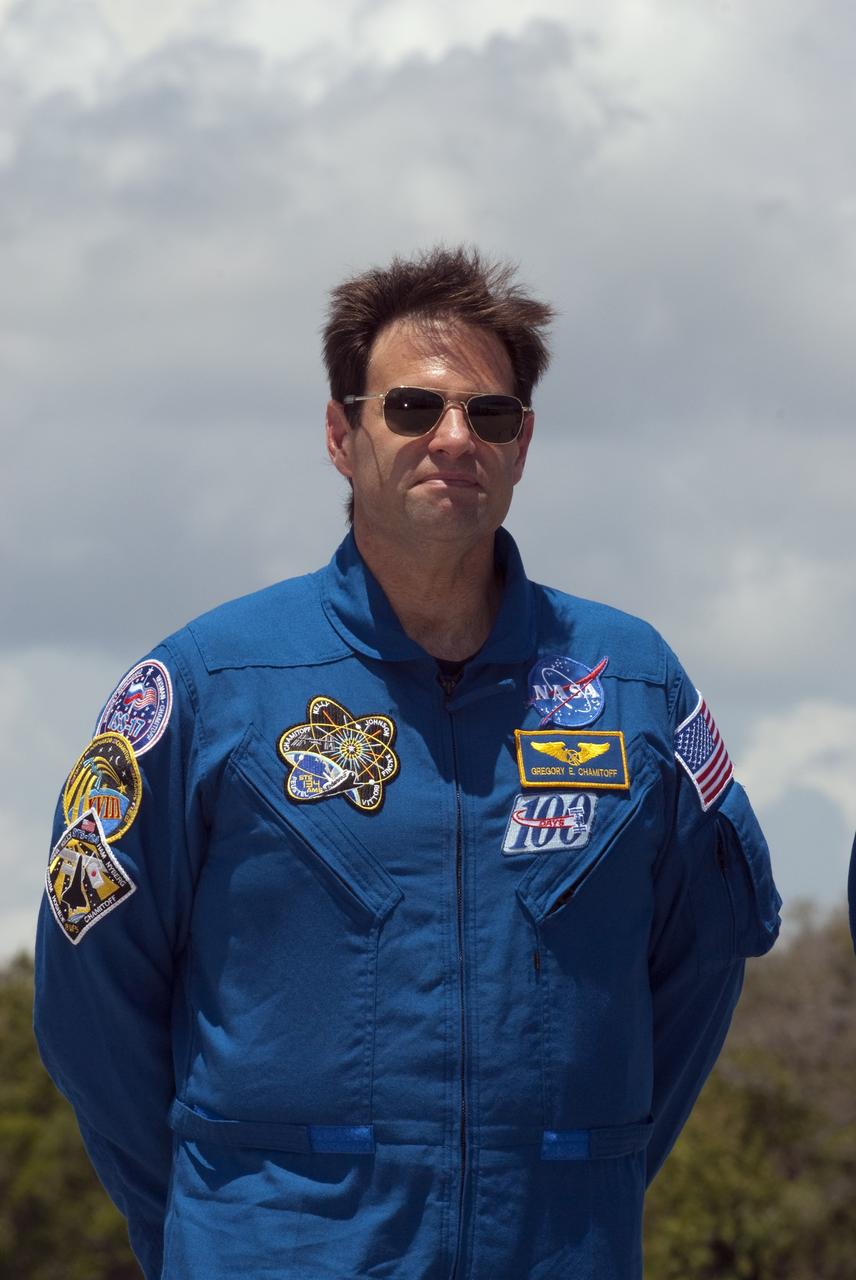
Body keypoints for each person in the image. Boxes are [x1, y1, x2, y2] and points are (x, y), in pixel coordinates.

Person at [34, 247, 781, 1280]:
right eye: (413, 407)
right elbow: (89, 997)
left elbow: (702, 962)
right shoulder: (206, 687)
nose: (454, 438)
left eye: (490, 414)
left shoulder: (636, 683)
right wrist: (215, 1229)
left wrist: (584, 1179)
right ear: (341, 435)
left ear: (523, 445)